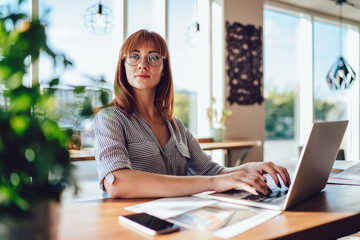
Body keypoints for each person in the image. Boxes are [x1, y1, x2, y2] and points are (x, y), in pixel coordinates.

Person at [93, 29, 290, 199]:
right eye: (134, 56)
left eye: (153, 57)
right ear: (123, 65)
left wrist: (248, 168)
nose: (143, 64)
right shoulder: (109, 119)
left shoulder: (176, 126)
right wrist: (213, 182)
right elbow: (117, 183)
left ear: (163, 69)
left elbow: (211, 171)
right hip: (130, 222)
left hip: (174, 221)